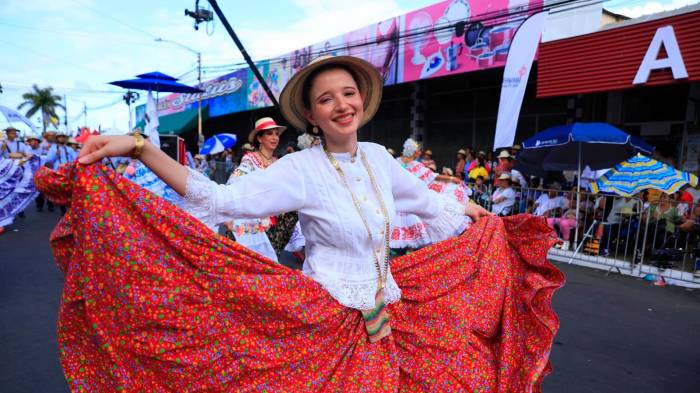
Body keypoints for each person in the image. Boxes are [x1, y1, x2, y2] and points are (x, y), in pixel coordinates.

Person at [60, 55, 561, 391]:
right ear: (310, 114)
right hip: (325, 324)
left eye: (349, 94)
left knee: (463, 370)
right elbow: (218, 201)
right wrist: (143, 147)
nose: (342, 105)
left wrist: (473, 214)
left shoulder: (378, 157)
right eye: (327, 99)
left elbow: (428, 203)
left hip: (389, 317)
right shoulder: (300, 170)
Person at [223, 117, 287, 262]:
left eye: (277, 134)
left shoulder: (278, 163)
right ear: (259, 138)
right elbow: (234, 183)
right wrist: (228, 214)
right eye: (269, 133)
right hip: (252, 219)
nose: (275, 137)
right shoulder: (250, 160)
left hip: (274, 223)